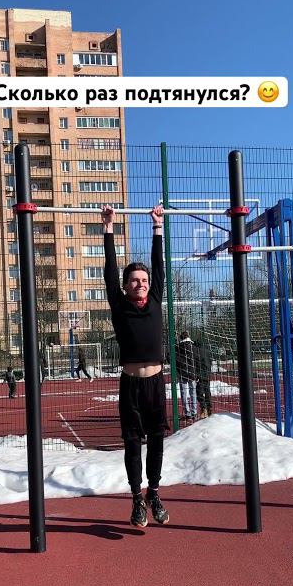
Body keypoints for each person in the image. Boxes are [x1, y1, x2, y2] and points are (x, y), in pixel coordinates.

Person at [103, 203, 170, 527]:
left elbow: (159, 266)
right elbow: (109, 270)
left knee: (156, 441)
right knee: (132, 444)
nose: (141, 283)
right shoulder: (119, 305)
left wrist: (157, 227)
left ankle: (153, 492)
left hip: (155, 383)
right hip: (130, 384)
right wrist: (108, 228)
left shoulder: (155, 298)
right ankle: (136, 498)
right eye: (135, 280)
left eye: (144, 279)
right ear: (126, 284)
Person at [174, 331, 199, 421]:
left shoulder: (178, 347)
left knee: (184, 393)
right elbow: (197, 361)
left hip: (182, 373)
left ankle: (187, 413)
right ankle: (194, 412)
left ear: (181, 338)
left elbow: (174, 359)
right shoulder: (194, 347)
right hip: (192, 373)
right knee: (193, 393)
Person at [195, 338, 213, 420]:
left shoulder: (198, 352)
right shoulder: (208, 351)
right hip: (207, 374)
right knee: (207, 391)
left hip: (201, 375)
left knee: (199, 392)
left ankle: (204, 409)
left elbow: (197, 363)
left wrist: (196, 374)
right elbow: (210, 361)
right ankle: (209, 408)